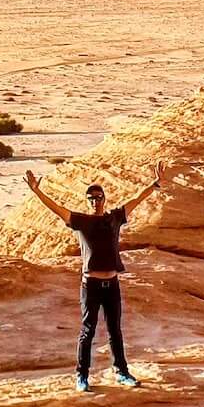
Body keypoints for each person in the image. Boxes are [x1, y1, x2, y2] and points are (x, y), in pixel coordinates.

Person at [24, 166, 164, 391]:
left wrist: (155, 184)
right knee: (88, 330)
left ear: (104, 199)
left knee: (114, 330)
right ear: (87, 201)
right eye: (91, 198)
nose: (95, 201)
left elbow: (136, 199)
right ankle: (82, 376)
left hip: (112, 284)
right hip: (91, 285)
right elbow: (57, 209)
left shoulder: (115, 217)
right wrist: (37, 192)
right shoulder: (81, 221)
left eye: (98, 197)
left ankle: (121, 371)